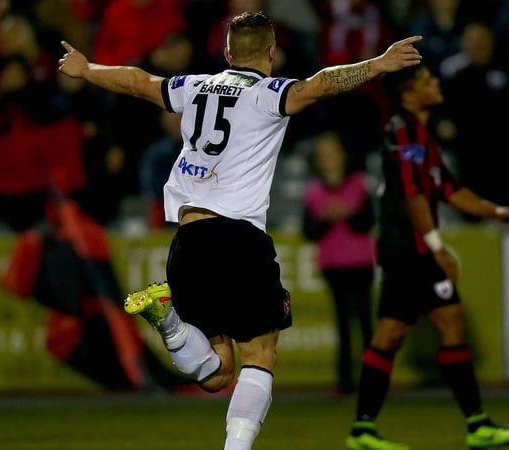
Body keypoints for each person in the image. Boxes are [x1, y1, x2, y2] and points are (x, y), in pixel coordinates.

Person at [58, 11, 422, 450]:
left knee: (217, 373)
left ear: (228, 52)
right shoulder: (269, 93)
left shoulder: (194, 86)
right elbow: (322, 83)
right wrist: (377, 64)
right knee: (261, 354)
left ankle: (171, 325)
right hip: (238, 237)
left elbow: (137, 81)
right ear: (272, 52)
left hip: (188, 241)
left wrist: (87, 69)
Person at [344, 65, 509, 450]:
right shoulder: (404, 133)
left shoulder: (420, 135)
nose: (436, 83)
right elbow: (413, 194)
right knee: (446, 325)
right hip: (409, 249)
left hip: (404, 248)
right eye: (427, 81)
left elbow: (449, 189)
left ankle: (363, 429)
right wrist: (436, 245)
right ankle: (476, 424)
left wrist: (497, 211)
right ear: (409, 95)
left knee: (396, 333)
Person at [302, 131, 375, 395]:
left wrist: (347, 213)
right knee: (343, 322)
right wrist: (325, 218)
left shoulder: (359, 184)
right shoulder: (313, 192)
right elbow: (309, 231)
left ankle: (372, 378)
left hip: (360, 261)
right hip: (333, 263)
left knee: (365, 321)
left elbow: (367, 222)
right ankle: (345, 380)